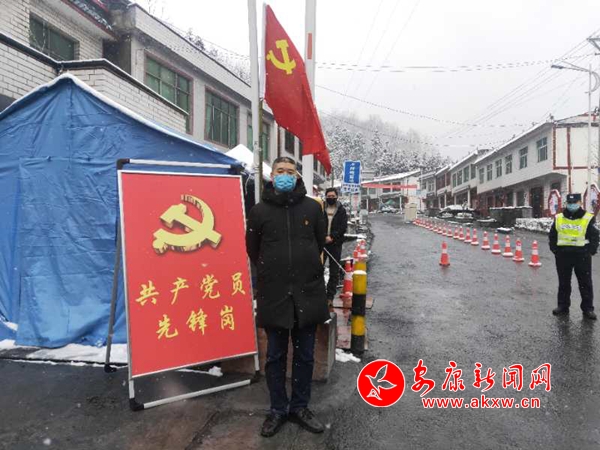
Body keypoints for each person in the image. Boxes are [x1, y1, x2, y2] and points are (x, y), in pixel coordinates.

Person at [246, 156, 330, 438]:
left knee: (305, 355)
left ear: (297, 177)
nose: (285, 175)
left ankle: (300, 407)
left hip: (308, 292)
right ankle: (278, 409)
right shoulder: (259, 211)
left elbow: (319, 242)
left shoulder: (313, 208)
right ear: (272, 175)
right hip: (275, 294)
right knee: (275, 356)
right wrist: (275, 270)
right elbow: (253, 249)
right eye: (280, 171)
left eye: (290, 172)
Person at [549, 193, 599, 319]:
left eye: (574, 203)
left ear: (580, 203)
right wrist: (555, 250)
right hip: (563, 256)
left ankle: (588, 309)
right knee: (564, 283)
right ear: (566, 203)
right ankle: (563, 306)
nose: (572, 205)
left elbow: (595, 236)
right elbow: (553, 235)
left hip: (582, 256)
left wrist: (590, 251)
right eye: (569, 203)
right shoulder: (559, 217)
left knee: (585, 283)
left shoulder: (588, 218)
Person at [323, 188, 348, 306]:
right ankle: (319, 294)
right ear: (325, 197)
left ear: (337, 197)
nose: (331, 198)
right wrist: (323, 236)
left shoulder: (341, 210)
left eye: (333, 196)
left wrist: (332, 237)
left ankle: (330, 297)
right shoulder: (321, 208)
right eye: (329, 196)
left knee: (334, 272)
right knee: (317, 269)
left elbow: (343, 227)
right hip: (322, 243)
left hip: (335, 244)